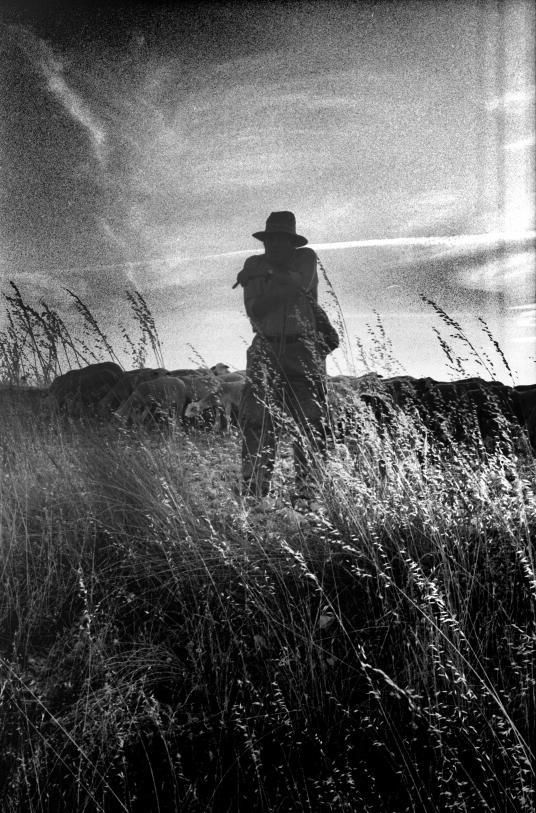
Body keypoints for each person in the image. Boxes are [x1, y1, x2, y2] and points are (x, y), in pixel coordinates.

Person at [234, 211, 337, 509]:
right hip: (266, 349)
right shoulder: (253, 264)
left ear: (292, 242)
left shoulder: (305, 257)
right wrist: (272, 279)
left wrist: (265, 277)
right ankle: (255, 495)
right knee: (256, 420)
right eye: (270, 241)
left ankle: (307, 498)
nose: (275, 246)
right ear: (265, 242)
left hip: (303, 350)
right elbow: (257, 311)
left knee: (312, 423)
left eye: (281, 240)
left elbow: (296, 284)